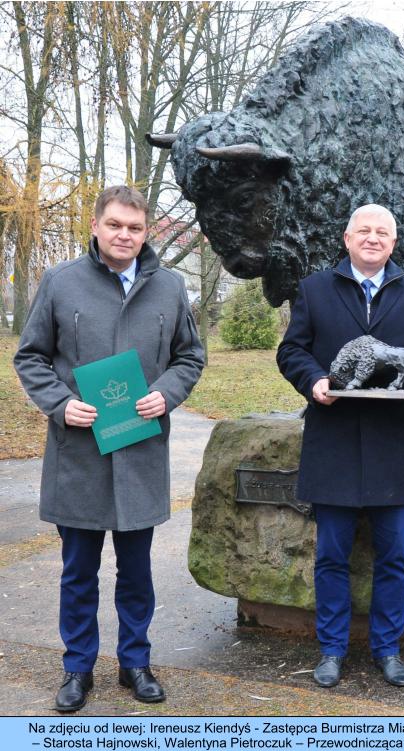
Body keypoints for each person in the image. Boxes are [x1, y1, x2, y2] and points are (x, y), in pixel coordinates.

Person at [14, 185, 205, 712]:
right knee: (78, 572)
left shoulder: (170, 287)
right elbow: (31, 357)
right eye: (116, 224)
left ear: (147, 233)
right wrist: (59, 403)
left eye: (135, 227)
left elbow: (189, 358)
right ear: (96, 226)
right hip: (78, 453)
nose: (125, 235)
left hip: (141, 452)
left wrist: (165, 395)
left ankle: (135, 663)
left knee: (137, 572)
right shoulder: (60, 283)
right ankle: (77, 668)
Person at [276, 204, 404, 689]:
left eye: (383, 233)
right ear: (347, 238)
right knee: (331, 555)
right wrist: (313, 381)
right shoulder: (313, 289)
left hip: (393, 444)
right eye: (364, 231)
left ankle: (387, 649)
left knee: (394, 556)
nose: (373, 239)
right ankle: (331, 650)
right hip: (334, 441)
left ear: (394, 243)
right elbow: (292, 350)